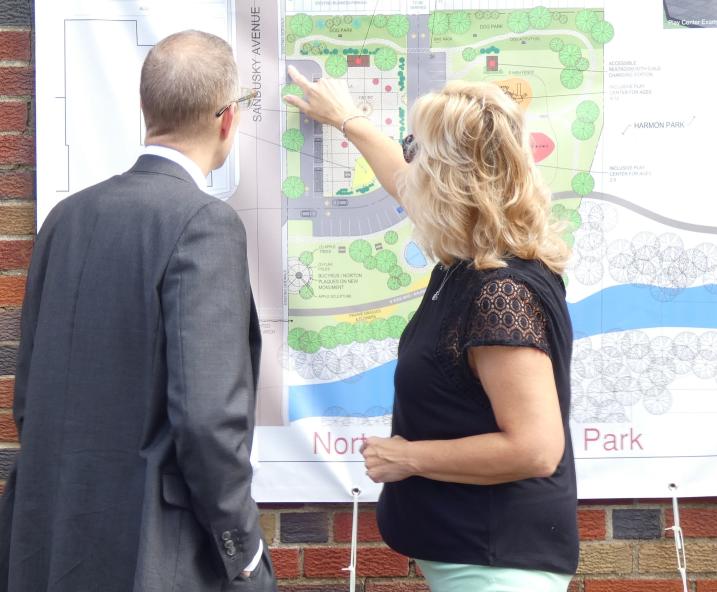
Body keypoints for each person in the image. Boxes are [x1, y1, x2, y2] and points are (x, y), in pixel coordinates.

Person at [0, 31, 276, 591]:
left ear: (145, 109)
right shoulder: (206, 224)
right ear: (227, 120)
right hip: (157, 557)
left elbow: (29, 396)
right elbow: (206, 421)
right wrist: (243, 552)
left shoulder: (65, 218)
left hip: (47, 545)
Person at [285, 69, 579, 591]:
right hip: (476, 560)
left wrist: (407, 457)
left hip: (495, 568)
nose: (408, 164)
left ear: (446, 179)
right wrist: (348, 119)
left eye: (415, 150)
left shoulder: (500, 291)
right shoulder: (471, 262)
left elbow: (534, 448)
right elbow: (400, 180)